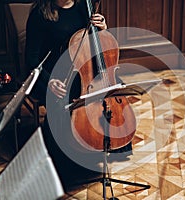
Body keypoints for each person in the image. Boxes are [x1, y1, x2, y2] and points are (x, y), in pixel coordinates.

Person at [25, 0, 133, 187]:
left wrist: (102, 28)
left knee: (112, 91)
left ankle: (103, 145)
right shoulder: (40, 15)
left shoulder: (85, 5)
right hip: (54, 75)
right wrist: (50, 81)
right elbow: (31, 59)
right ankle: (69, 166)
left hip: (84, 68)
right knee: (63, 102)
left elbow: (92, 40)